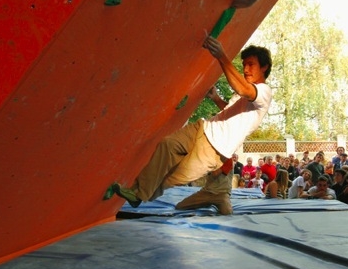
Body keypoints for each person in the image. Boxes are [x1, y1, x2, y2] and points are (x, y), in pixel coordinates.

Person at [109, 37, 272, 207]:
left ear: (264, 67)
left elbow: (242, 89)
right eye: (244, 64)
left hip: (215, 150)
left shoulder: (264, 92)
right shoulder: (245, 93)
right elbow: (233, 110)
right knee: (167, 144)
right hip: (203, 128)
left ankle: (141, 195)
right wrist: (216, 98)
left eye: (250, 64)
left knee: (173, 176)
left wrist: (221, 56)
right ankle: (137, 193)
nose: (245, 69)